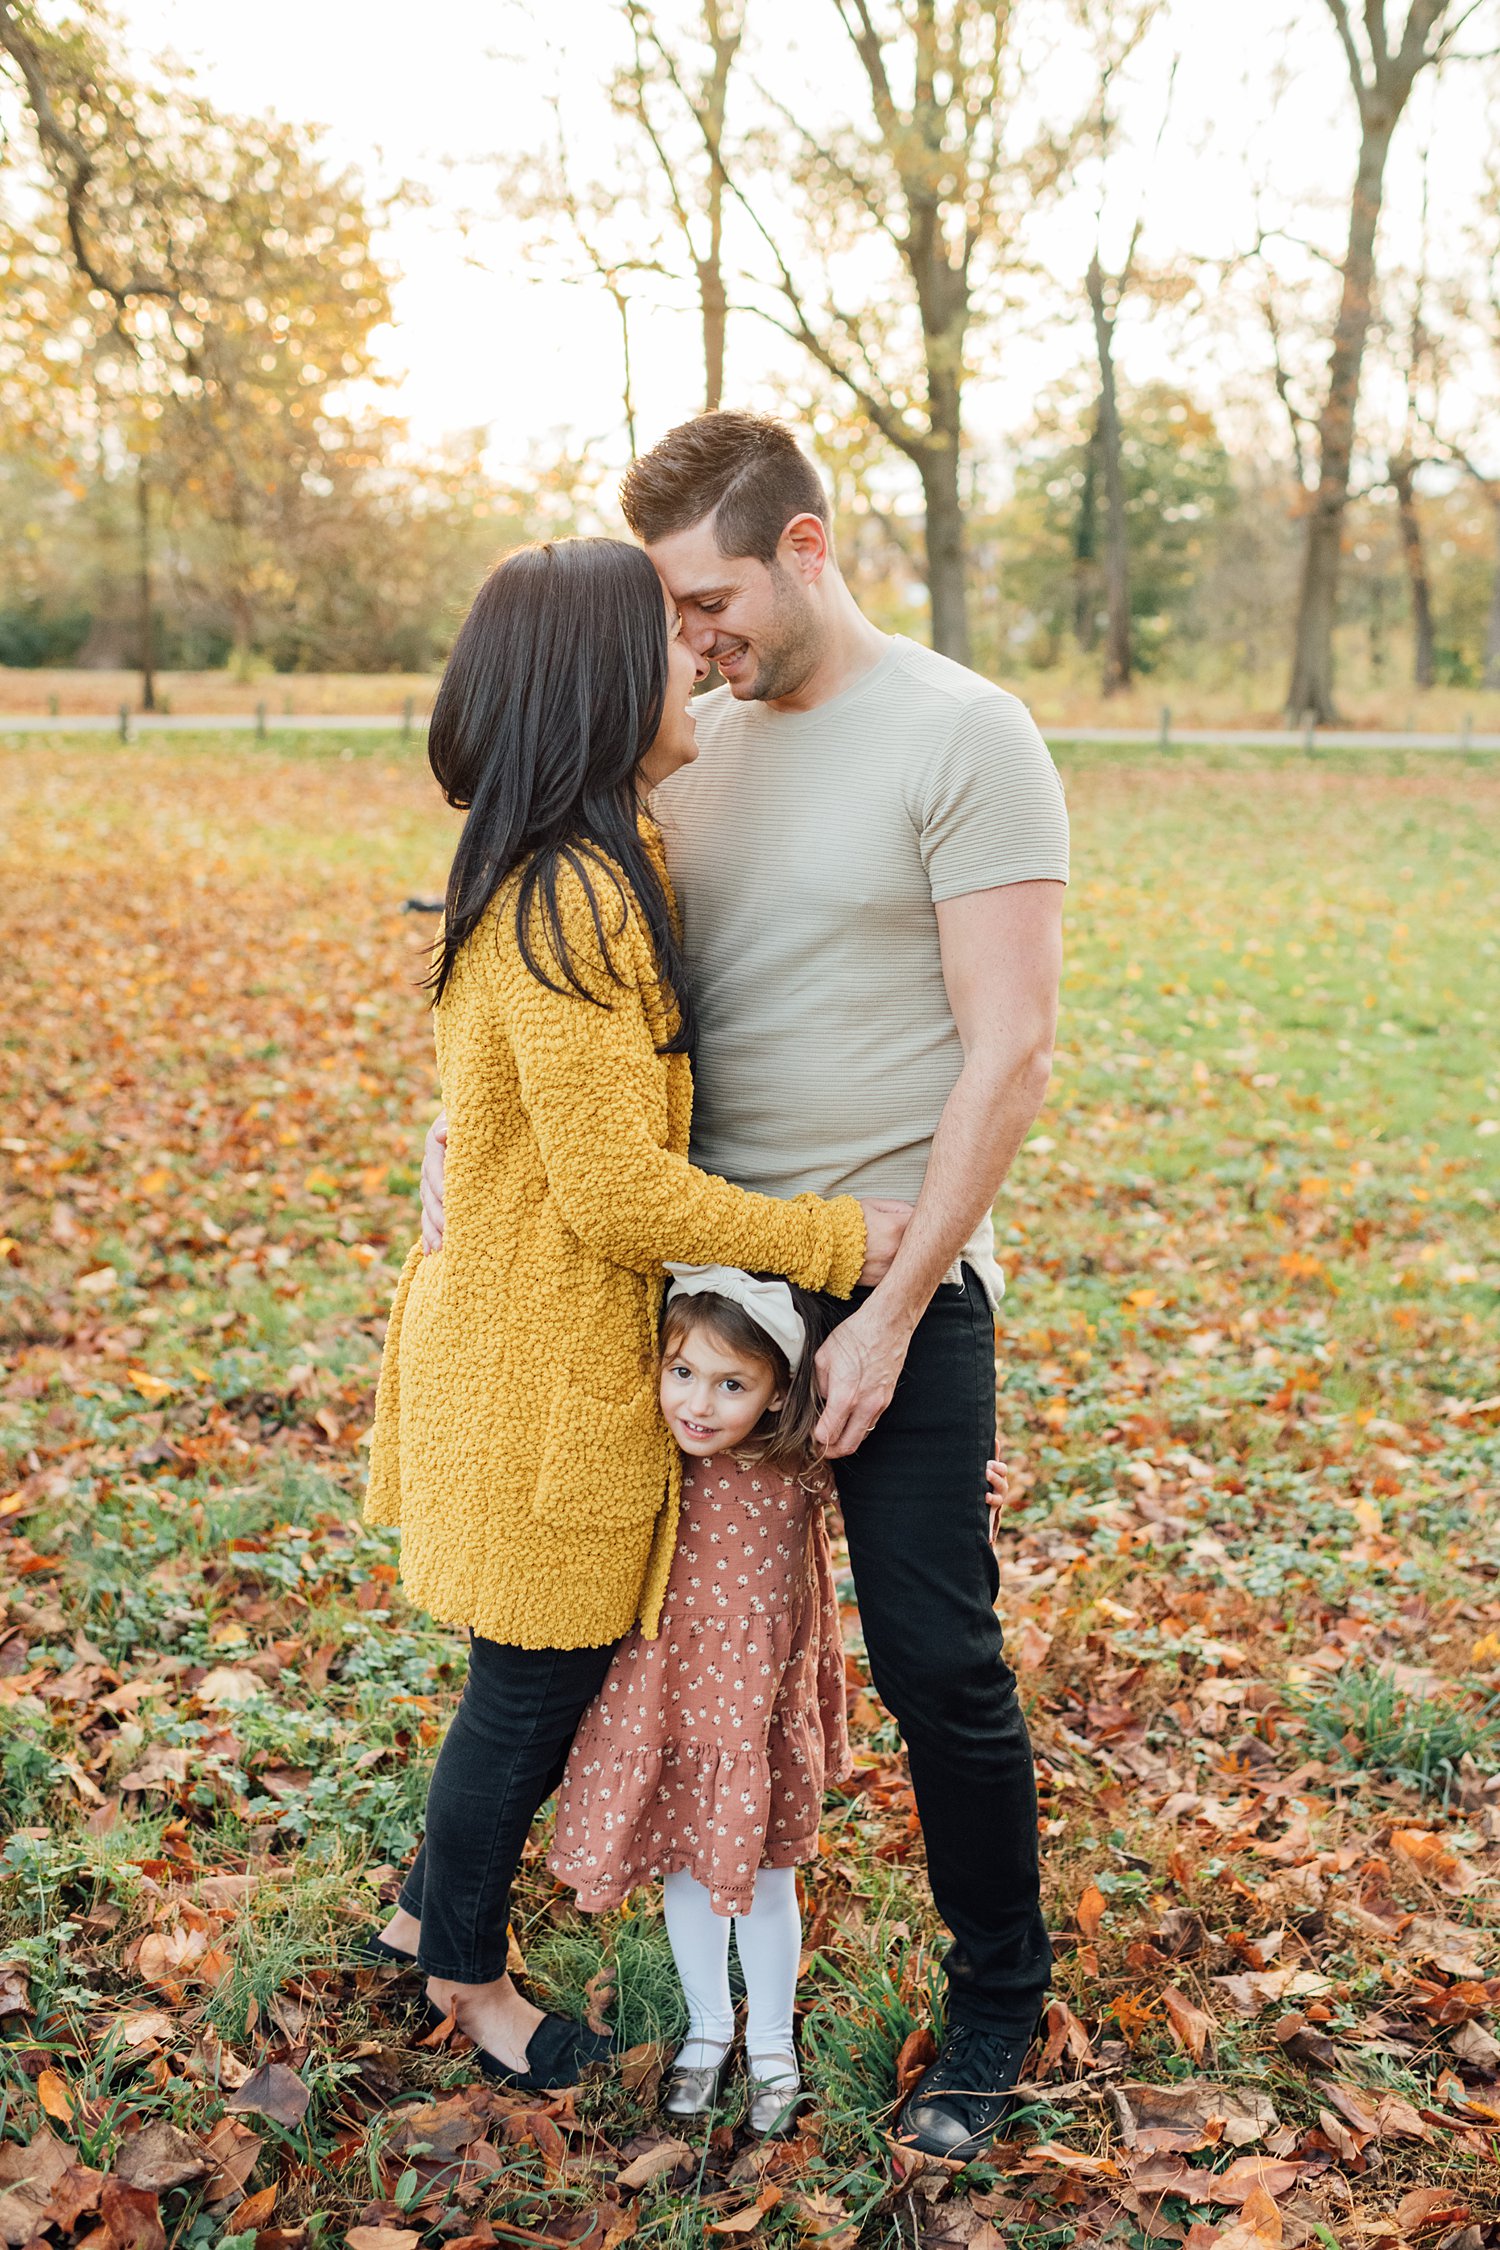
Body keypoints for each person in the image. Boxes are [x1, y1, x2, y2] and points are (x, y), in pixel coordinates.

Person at [422, 411, 1069, 2157]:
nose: (689, 639)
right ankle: (557, 1939)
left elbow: (1009, 1055)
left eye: (709, 596)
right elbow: (576, 1005)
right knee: (638, 1650)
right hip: (694, 1300)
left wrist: (898, 1297)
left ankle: (1000, 1996)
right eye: (665, 612)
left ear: (804, 546)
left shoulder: (966, 736)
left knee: (941, 1655)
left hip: (892, 1273)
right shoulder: (678, 754)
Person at [364, 533, 914, 2092]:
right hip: (541, 1371)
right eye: (670, 641)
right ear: (609, 679)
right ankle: (463, 1969)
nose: (699, 661)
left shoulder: (594, 857)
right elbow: (616, 1191)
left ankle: (425, 1909)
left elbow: (520, 1124)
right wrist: (835, 1236)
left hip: (531, 1339)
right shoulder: (576, 890)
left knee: (521, 1671)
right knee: (529, 1682)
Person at [548, 1264, 848, 2137]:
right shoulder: (648, 1452)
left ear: (778, 1390)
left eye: (732, 1384)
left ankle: (773, 2044)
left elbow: (905, 1506)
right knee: (687, 1860)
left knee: (762, 1875)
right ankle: (710, 2029)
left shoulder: (799, 1461)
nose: (700, 1405)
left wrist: (979, 1502)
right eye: (683, 1373)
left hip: (753, 1707)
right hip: (668, 1696)